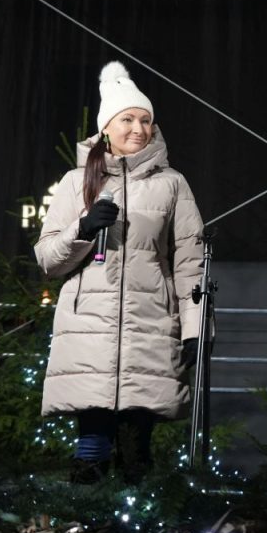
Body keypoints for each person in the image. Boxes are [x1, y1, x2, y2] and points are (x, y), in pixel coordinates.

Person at [35, 61, 205, 484]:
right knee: (90, 449)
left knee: (136, 453)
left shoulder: (173, 184)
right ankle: (86, 519)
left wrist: (196, 329)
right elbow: (48, 260)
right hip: (89, 329)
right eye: (127, 119)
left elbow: (190, 262)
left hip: (150, 325)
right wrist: (83, 228)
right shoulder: (76, 182)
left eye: (145, 120)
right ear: (106, 128)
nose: (138, 128)